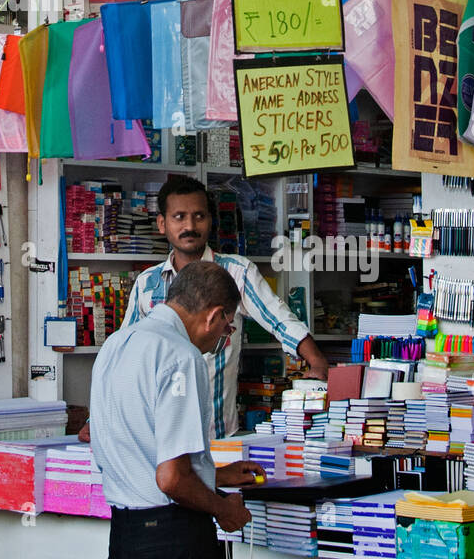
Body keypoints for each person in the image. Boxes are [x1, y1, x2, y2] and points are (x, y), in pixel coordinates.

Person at [91, 174, 329, 440]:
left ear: (210, 221)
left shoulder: (237, 272)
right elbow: (124, 353)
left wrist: (316, 360)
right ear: (162, 224)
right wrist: (96, 418)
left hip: (216, 436)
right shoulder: (148, 282)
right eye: (179, 217)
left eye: (199, 216)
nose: (190, 226)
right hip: (158, 436)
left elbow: (279, 319)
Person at [90, 260, 265, 559]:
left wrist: (213, 474)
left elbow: (141, 454)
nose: (222, 338)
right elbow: (170, 480)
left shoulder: (115, 345)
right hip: (171, 541)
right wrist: (222, 508)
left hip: (125, 538)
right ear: (213, 316)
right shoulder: (181, 356)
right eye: (226, 328)